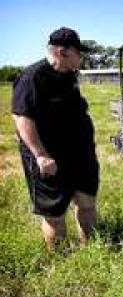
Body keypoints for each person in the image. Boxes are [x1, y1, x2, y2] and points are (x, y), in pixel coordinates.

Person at [11, 27, 99, 250]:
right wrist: (40, 156)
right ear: (63, 52)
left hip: (80, 153)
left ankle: (90, 249)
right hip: (50, 156)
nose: (82, 57)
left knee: (86, 200)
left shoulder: (69, 75)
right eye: (79, 52)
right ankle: (59, 261)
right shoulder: (32, 77)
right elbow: (22, 118)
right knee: (54, 213)